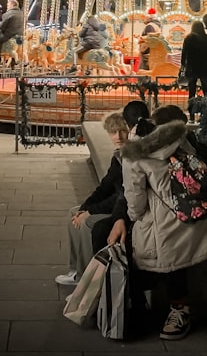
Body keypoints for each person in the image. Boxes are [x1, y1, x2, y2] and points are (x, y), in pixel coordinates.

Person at [119, 104, 207, 340]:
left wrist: (133, 218)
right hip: (199, 216)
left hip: (168, 223)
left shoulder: (134, 154)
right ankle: (175, 310)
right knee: (166, 247)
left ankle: (160, 310)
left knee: (144, 250)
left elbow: (135, 200)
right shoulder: (180, 138)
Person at [55, 112, 130, 285]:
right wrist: (85, 207)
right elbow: (104, 187)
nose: (118, 136)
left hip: (123, 209)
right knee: (74, 213)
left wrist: (90, 212)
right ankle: (76, 271)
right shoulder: (118, 156)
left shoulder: (128, 157)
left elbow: (121, 196)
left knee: (87, 223)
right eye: (113, 132)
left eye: (122, 131)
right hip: (116, 204)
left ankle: (85, 278)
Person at [179, 20, 207, 121]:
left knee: (191, 93)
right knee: (206, 91)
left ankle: (191, 115)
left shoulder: (189, 38)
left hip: (192, 68)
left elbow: (184, 53)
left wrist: (183, 65)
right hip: (204, 68)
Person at [0, 0, 24, 65]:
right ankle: (12, 62)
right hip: (20, 35)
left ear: (12, 5)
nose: (8, 6)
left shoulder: (8, 14)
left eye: (8, 5)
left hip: (10, 35)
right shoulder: (21, 13)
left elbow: (3, 26)